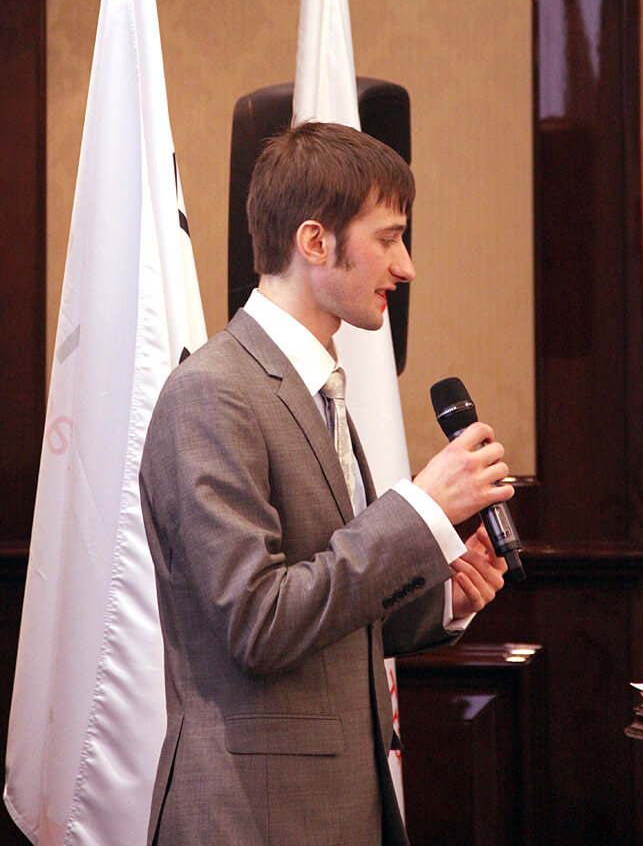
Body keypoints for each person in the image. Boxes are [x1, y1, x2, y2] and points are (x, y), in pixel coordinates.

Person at [140, 121, 514, 846]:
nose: (406, 267)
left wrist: (443, 598)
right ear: (314, 242)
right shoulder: (211, 394)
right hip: (253, 814)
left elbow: (331, 619)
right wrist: (418, 509)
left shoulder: (322, 390)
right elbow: (258, 624)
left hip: (343, 806)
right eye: (388, 238)